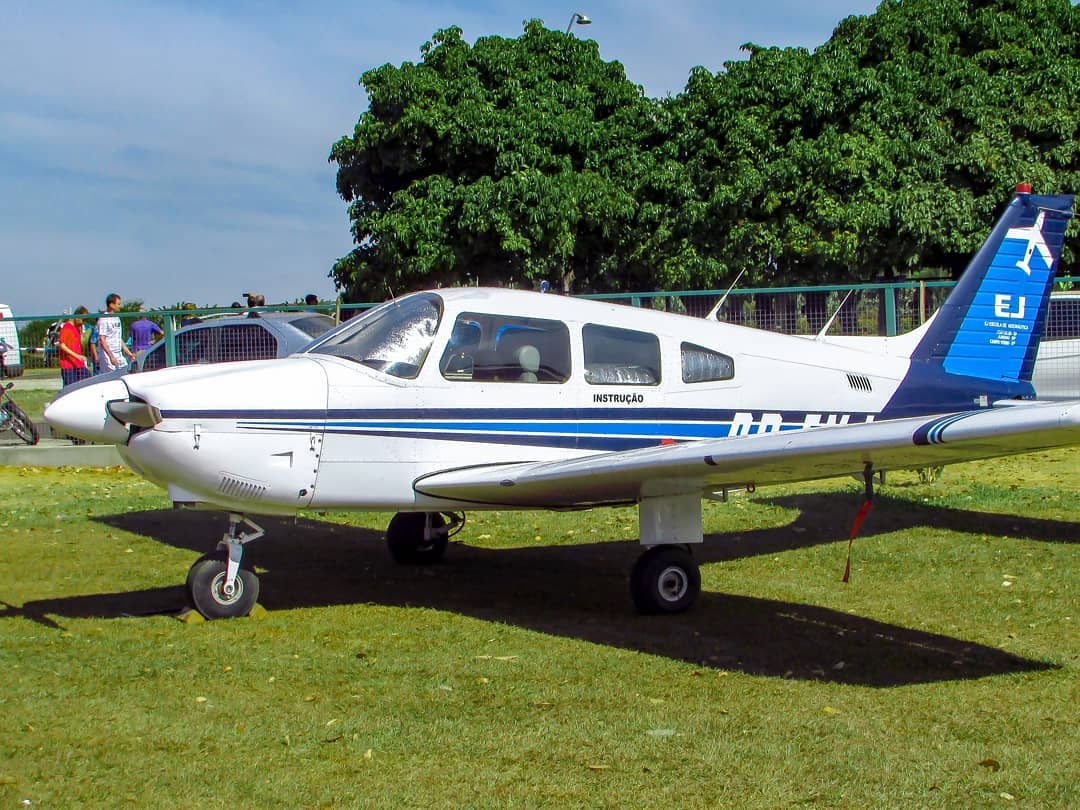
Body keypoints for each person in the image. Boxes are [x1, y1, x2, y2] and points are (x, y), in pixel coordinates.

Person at [97, 293, 135, 373]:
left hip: (119, 354)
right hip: (108, 355)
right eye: (118, 304)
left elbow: (118, 338)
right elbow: (102, 339)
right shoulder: (104, 319)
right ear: (111, 305)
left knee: (126, 373)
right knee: (112, 377)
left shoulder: (117, 318)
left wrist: (129, 354)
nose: (119, 306)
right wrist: (111, 356)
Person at [58, 306, 91, 386]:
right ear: (77, 317)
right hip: (68, 365)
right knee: (71, 387)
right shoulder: (66, 328)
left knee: (88, 382)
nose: (83, 323)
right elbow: (62, 345)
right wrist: (77, 356)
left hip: (78, 363)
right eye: (83, 320)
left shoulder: (77, 328)